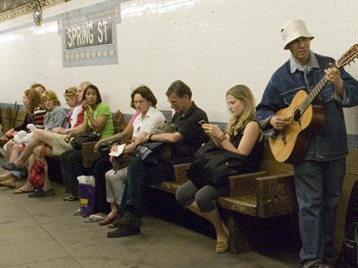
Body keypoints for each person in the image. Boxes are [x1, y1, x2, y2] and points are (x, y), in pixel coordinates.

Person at [256, 19, 358, 268]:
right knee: (310, 205)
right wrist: (272, 120)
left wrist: (338, 83)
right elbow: (262, 110)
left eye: (304, 40)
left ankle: (324, 255)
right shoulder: (280, 77)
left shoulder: (330, 66)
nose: (301, 45)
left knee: (331, 202)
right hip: (303, 152)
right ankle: (310, 260)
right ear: (288, 46)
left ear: (310, 41)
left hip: (335, 148)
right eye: (295, 42)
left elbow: (355, 95)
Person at [106, 80, 207, 238]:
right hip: (170, 158)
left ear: (186, 97)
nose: (172, 106)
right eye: (170, 102)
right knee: (136, 165)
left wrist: (150, 136)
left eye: (174, 102)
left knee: (135, 175)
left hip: (184, 164)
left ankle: (129, 219)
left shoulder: (197, 115)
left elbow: (174, 137)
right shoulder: (178, 116)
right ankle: (129, 217)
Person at [176, 84, 263, 252]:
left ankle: (220, 233)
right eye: (228, 104)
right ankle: (221, 226)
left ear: (245, 102)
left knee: (202, 197)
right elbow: (225, 149)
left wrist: (221, 136)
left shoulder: (252, 125)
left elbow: (241, 156)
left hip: (239, 175)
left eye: (233, 103)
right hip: (224, 170)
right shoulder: (235, 122)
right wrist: (214, 137)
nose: (230, 107)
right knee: (183, 194)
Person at [97, 86, 166, 225]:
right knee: (107, 174)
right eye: (135, 102)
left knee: (114, 176)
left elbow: (140, 144)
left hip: (146, 159)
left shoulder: (155, 116)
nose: (138, 105)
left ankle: (126, 213)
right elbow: (133, 140)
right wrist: (119, 148)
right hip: (134, 155)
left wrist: (119, 150)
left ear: (150, 101)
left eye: (141, 101)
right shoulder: (138, 118)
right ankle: (115, 210)